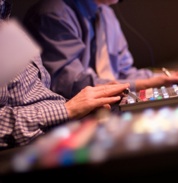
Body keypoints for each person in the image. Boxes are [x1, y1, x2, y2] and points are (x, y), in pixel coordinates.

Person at [0, 0, 130, 150]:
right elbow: (71, 81)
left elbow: (38, 98)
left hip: (56, 131)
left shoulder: (5, 21)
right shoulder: (53, 11)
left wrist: (71, 108)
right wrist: (67, 109)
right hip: (32, 147)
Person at [23, 0, 178, 100]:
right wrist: (150, 83)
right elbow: (74, 85)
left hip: (109, 103)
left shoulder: (107, 14)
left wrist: (164, 78)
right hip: (74, 114)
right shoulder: (53, 13)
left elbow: (123, 73)